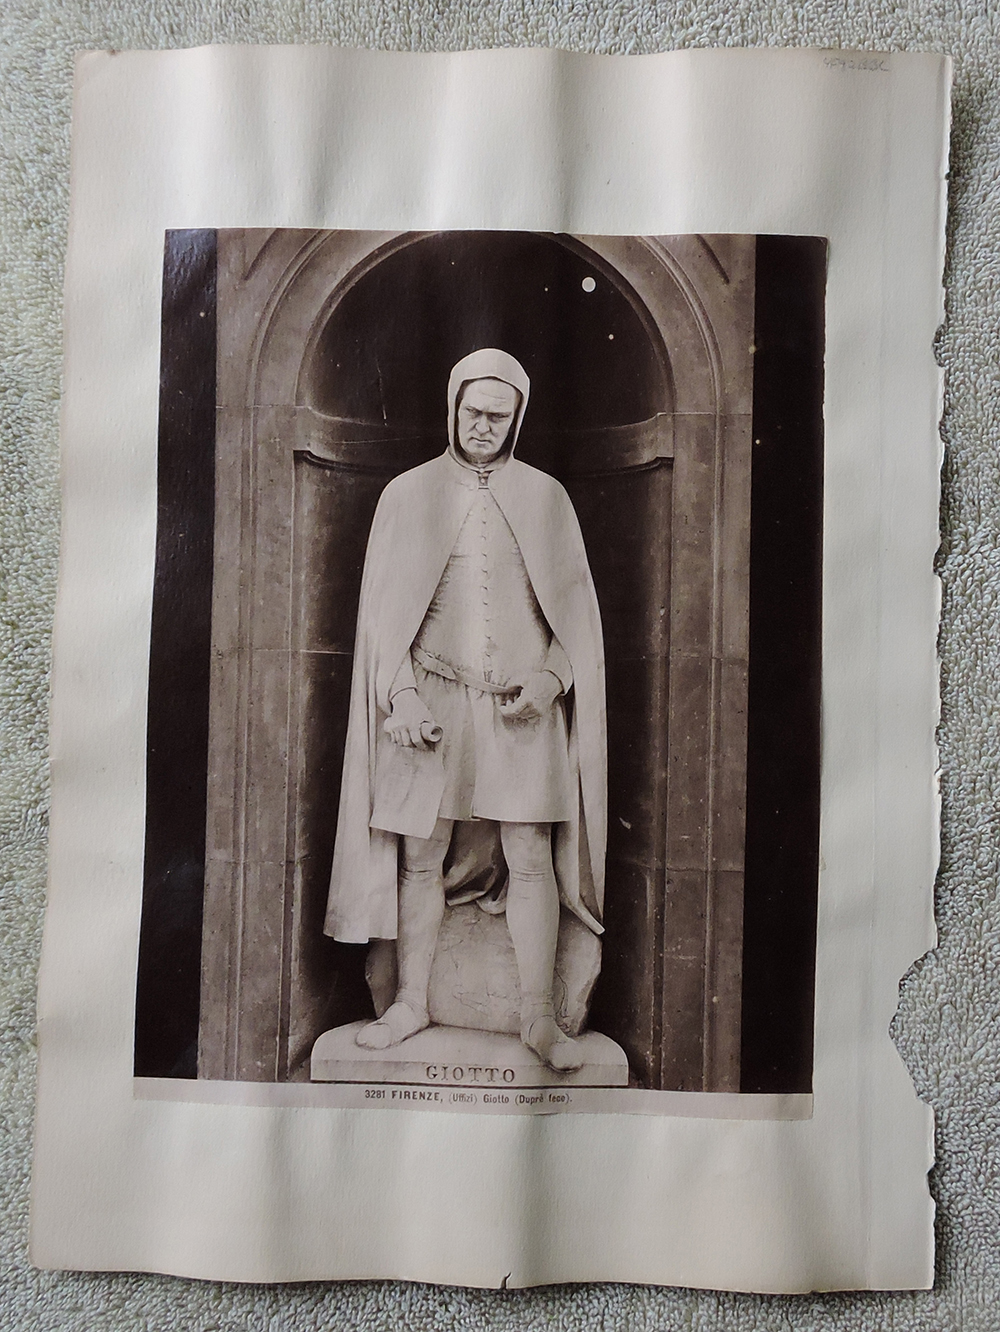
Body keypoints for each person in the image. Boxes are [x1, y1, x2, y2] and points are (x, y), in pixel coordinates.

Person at [324, 348, 606, 1072]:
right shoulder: (407, 494)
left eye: (498, 417)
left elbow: (577, 618)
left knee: (531, 857)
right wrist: (401, 693)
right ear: (452, 407)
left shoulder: (547, 497)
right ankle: (410, 1002)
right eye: (474, 412)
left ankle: (539, 1017)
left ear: (518, 420)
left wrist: (551, 679)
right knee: (421, 857)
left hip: (521, 708)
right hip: (432, 699)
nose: (484, 426)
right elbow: (382, 620)